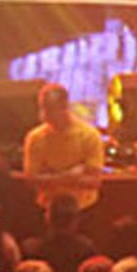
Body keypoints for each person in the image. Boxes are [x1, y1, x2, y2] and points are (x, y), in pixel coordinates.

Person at [21, 82, 104, 217]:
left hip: (83, 210)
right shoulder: (35, 138)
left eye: (50, 109)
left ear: (65, 107)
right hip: (48, 210)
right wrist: (70, 176)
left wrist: (50, 177)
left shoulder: (89, 135)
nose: (44, 114)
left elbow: (94, 181)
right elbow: (31, 180)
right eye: (42, 108)